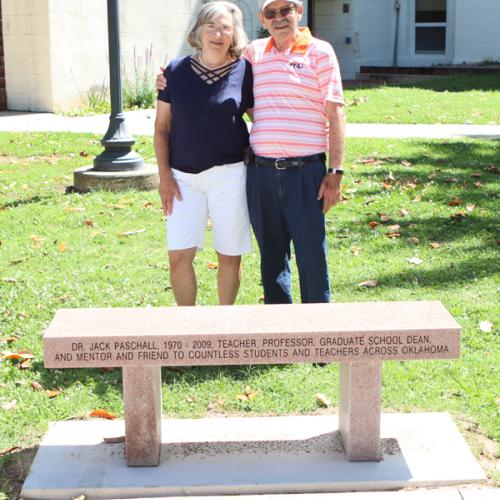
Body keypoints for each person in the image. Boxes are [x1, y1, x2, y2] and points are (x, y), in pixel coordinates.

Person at [157, 0, 345, 305]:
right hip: (261, 173)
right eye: (272, 12)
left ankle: (317, 341)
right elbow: (214, 75)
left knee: (310, 255)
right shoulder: (255, 54)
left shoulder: (317, 52)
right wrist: (166, 79)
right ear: (263, 18)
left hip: (304, 172)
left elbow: (335, 114)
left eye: (287, 10)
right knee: (271, 258)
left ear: (299, 12)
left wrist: (335, 171)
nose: (280, 18)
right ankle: (278, 336)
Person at [154, 1, 254, 306]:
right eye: (211, 25)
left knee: (229, 255)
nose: (218, 33)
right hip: (183, 179)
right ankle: (189, 328)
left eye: (226, 27)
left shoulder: (244, 70)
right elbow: (161, 128)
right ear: (198, 30)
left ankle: (222, 327)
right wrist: (164, 177)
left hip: (230, 175)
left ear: (235, 34)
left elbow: (262, 116)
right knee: (179, 256)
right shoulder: (174, 71)